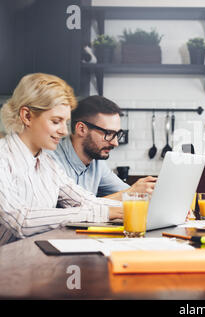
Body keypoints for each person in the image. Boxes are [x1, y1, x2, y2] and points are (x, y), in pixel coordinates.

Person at [0, 73, 122, 246]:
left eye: (65, 122)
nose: (64, 131)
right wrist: (103, 213)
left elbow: (85, 201)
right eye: (56, 121)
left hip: (30, 259)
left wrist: (137, 207)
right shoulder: (3, 158)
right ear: (27, 116)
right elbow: (21, 220)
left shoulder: (48, 164)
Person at [49, 95, 156, 200]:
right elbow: (71, 210)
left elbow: (126, 193)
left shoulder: (96, 163)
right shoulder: (50, 162)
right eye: (109, 133)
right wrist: (131, 193)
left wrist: (140, 192)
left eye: (117, 134)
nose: (115, 143)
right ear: (81, 129)